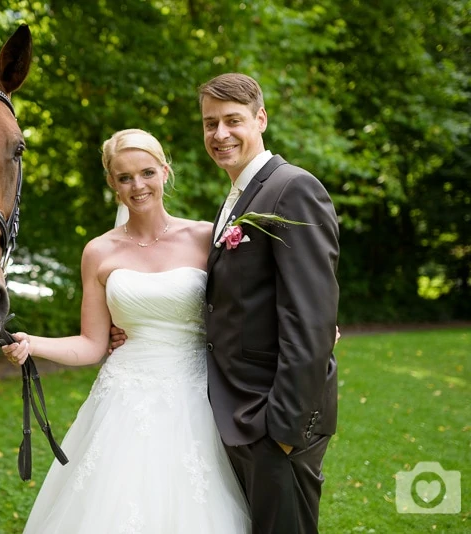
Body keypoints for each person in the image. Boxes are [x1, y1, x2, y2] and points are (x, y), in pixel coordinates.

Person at [3, 128, 251, 533]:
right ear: (112, 184)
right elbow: (90, 344)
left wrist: (308, 322)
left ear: (165, 172)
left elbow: (244, 305)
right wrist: (32, 344)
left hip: (197, 394)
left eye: (147, 172)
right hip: (123, 396)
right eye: (124, 177)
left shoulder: (207, 236)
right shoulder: (98, 252)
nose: (138, 185)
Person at [199, 73, 340, 534]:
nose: (220, 134)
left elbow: (311, 318)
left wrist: (283, 431)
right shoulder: (237, 195)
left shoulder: (293, 188)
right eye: (209, 123)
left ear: (260, 118)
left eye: (233, 120)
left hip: (274, 420)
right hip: (238, 411)